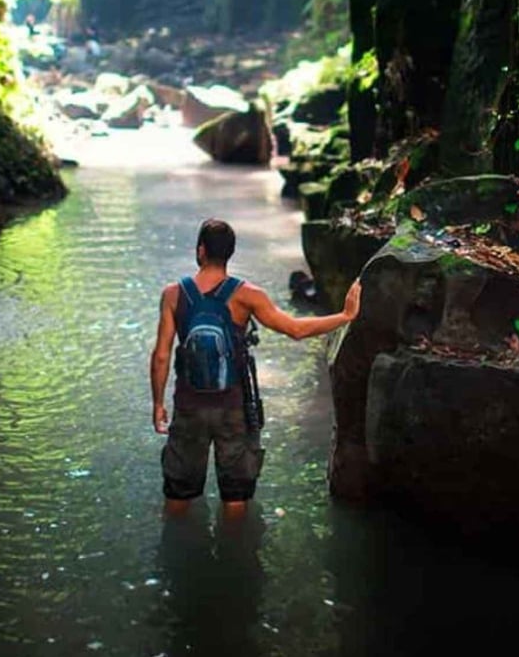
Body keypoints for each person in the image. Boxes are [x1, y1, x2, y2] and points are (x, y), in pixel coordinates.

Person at [150, 218, 361, 519]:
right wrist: (344, 316)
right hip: (233, 408)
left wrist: (158, 405)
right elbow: (296, 329)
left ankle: (176, 554)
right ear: (229, 254)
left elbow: (161, 356)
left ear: (200, 251)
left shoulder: (173, 294)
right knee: (236, 494)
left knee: (178, 490)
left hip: (188, 406)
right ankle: (236, 557)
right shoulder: (247, 295)